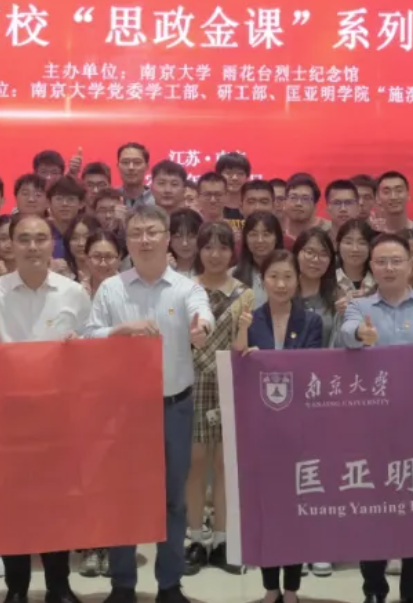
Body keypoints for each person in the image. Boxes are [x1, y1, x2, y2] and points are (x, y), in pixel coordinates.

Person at [0, 215, 90, 603]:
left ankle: (58, 585)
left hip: (58, 415)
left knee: (56, 501)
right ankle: (16, 587)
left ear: (52, 245)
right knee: (11, 503)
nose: (32, 247)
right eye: (24, 239)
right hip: (8, 415)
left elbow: (92, 341)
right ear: (9, 245)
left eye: (40, 239)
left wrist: (80, 344)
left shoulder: (73, 293)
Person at [84, 204, 214, 603]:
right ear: (127, 239)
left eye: (152, 232)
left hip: (174, 406)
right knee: (122, 496)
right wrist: (119, 330)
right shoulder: (112, 288)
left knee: (173, 499)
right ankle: (122, 584)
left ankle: (169, 584)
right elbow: (88, 336)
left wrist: (202, 329)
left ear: (168, 238)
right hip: (122, 409)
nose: (144, 239)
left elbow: (203, 317)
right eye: (137, 232)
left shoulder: (186, 288)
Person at [341, 232, 413, 603]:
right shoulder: (358, 306)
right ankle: (374, 588)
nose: (389, 268)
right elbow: (346, 336)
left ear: (412, 266)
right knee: (373, 509)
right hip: (370, 426)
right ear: (371, 267)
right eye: (381, 262)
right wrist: (361, 334)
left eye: (396, 261)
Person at [232, 249, 323, 603]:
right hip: (261, 428)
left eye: (287, 277)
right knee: (267, 509)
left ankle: (292, 588)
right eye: (274, 277)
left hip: (301, 427)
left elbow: (310, 368)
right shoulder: (251, 319)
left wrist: (269, 362)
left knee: (296, 510)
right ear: (262, 280)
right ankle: (270, 587)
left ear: (297, 280)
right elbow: (237, 363)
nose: (281, 284)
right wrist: (242, 333)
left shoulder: (311, 321)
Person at [183, 221, 246, 577]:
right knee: (194, 464)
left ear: (232, 252)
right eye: (208, 247)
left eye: (223, 247)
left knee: (225, 465)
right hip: (192, 384)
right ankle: (195, 538)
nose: (215, 254)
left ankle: (222, 540)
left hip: (230, 385)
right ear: (199, 250)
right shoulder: (186, 289)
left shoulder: (244, 293)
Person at [292, 229, 342, 349]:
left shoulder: (338, 295)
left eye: (323, 254)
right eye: (309, 252)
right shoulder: (283, 291)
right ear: (296, 253)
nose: (316, 259)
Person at [234, 211, 285, 290]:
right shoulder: (233, 275)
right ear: (245, 239)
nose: (260, 240)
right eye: (253, 234)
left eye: (266, 234)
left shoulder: (289, 273)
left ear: (277, 238)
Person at [335, 219, 377, 297]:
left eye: (362, 243)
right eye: (348, 242)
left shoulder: (379, 280)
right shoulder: (329, 279)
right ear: (338, 245)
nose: (355, 249)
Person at [82, 229, 122, 296]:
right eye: (97, 256)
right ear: (86, 259)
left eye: (109, 257)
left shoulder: (129, 290)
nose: (103, 264)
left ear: (119, 259)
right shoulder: (78, 291)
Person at [116, 142, 154, 210]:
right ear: (118, 166)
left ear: (147, 167)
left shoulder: (157, 199)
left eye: (137, 162)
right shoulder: (110, 197)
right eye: (125, 162)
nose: (131, 167)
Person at [168, 209, 203, 276]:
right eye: (177, 236)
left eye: (191, 236)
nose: (185, 243)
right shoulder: (160, 270)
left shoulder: (210, 269)